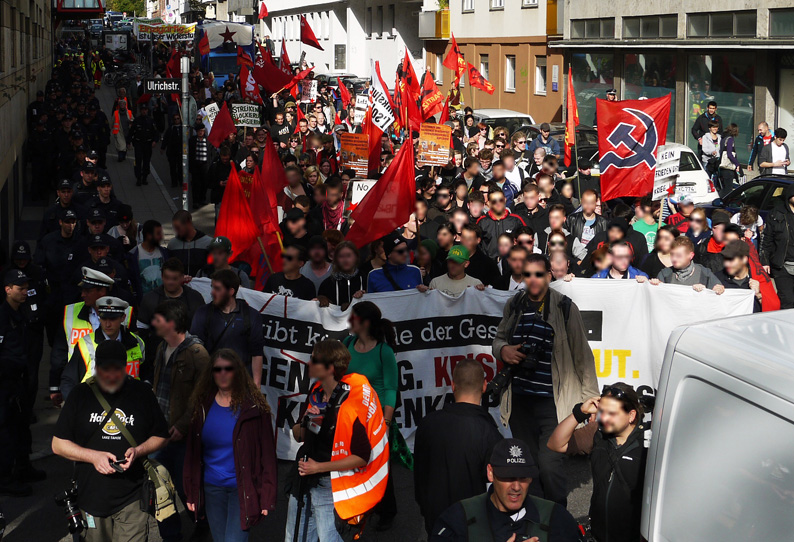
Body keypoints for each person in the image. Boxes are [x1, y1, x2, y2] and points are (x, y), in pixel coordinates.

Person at [492, 254, 599, 506]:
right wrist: (503, 350)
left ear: (549, 276)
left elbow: (582, 354)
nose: (533, 279)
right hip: (520, 401)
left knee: (550, 465)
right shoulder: (515, 304)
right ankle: (538, 518)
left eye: (538, 274)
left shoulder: (564, 307)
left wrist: (589, 398)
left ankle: (557, 516)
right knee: (529, 465)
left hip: (554, 403)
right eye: (527, 274)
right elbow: (499, 338)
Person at [52, 340, 169, 542]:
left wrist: (138, 451)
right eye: (106, 370)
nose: (112, 376)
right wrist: (93, 457)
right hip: (91, 497)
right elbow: (58, 445)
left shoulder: (141, 393)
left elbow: (161, 436)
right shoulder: (81, 394)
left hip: (133, 497)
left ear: (126, 368)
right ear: (96, 368)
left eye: (117, 370)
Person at [285, 339, 389, 542]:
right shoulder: (315, 392)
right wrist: (306, 420)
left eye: (314, 359)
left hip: (328, 486)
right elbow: (299, 435)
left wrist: (319, 467)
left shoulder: (350, 405)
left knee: (329, 539)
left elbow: (361, 456)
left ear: (330, 368)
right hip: (303, 479)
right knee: (294, 538)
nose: (309, 363)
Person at [183, 348, 276, 542]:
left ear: (238, 372)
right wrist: (191, 492)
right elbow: (192, 454)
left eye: (228, 369)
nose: (223, 374)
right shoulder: (202, 406)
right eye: (218, 369)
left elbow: (267, 456)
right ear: (212, 373)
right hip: (212, 489)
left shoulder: (254, 409)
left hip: (242, 490)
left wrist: (267, 495)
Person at [547, 384, 648, 542]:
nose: (605, 418)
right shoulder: (597, 432)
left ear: (631, 415)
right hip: (597, 536)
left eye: (612, 413)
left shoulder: (649, 444)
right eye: (603, 412)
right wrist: (579, 413)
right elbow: (555, 444)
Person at [430, 438, 584, 542]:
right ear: (490, 473)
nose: (516, 487)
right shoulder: (459, 519)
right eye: (508, 477)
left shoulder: (556, 518)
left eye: (523, 478)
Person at [414, 358, 503, 535]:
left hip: (436, 520)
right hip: (473, 522)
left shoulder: (427, 423)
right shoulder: (490, 433)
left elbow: (419, 474)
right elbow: (498, 487)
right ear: (484, 386)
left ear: (453, 385)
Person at [149, 299, 211, 541]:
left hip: (183, 437)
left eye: (159, 320)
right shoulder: (160, 348)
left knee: (188, 490)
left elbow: (205, 396)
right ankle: (171, 536)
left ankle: (203, 523)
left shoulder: (197, 354)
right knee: (159, 491)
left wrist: (184, 425)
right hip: (158, 433)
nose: (154, 324)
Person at [341, 302, 399, 530]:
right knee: (355, 466)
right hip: (351, 419)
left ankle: (386, 510)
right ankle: (360, 508)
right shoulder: (347, 344)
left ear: (365, 323)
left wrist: (385, 422)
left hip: (376, 420)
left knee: (379, 468)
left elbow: (391, 389)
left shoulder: (384, 352)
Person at [49, 267, 132, 407]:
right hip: (81, 387)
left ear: (102, 291)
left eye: (87, 291)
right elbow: (59, 352)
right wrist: (54, 386)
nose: (82, 294)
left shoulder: (126, 314)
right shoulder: (70, 312)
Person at [0, 269, 45, 496]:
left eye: (27, 287)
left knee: (22, 426)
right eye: (20, 288)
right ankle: (6, 477)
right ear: (8, 290)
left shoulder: (20, 313)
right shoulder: (2, 315)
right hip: (5, 383)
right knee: (6, 431)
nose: (25, 292)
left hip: (20, 380)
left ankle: (23, 467)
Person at [190, 269, 265, 386]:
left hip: (241, 385)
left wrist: (256, 388)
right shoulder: (203, 313)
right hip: (211, 384)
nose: (212, 292)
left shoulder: (251, 316)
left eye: (217, 289)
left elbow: (257, 354)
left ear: (231, 291)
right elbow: (195, 349)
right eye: (212, 287)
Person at [61, 296, 145, 400]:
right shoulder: (85, 344)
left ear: (123, 318)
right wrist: (75, 407)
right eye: (104, 318)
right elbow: (69, 380)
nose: (108, 324)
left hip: (129, 406)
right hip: (94, 408)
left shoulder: (137, 343)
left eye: (113, 319)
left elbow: (146, 376)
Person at [651, 237, 725, 294]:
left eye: (679, 255)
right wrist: (656, 285)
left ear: (691, 255)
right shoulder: (665, 274)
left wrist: (710, 290)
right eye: (672, 254)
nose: (674, 259)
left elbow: (718, 290)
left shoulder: (704, 273)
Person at [760, 183, 794, 308]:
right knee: (787, 300)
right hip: (782, 265)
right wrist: (764, 261)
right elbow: (767, 239)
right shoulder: (776, 214)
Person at [477, 189, 526, 259]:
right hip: (489, 264)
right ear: (489, 203)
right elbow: (476, 245)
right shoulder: (482, 222)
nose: (498, 203)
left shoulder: (516, 220)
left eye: (500, 200)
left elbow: (525, 241)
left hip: (511, 263)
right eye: (494, 201)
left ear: (505, 200)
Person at [716, 240, 763, 313]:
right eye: (725, 259)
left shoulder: (759, 278)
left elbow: (772, 312)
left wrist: (759, 295)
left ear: (744, 259)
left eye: (731, 259)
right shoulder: (717, 279)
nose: (727, 264)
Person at [127, 219, 168, 301]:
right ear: (149, 235)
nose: (161, 237)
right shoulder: (133, 255)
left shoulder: (164, 253)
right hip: (144, 302)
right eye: (158, 234)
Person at [317, 241, 366, 309]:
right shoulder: (327, 283)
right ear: (336, 259)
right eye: (341, 256)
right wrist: (321, 299)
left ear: (356, 257)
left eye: (349, 255)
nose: (345, 260)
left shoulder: (365, 279)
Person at [420, 245, 484, 297]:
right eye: (450, 261)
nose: (453, 265)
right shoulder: (435, 283)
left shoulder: (475, 284)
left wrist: (481, 292)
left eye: (457, 262)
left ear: (466, 264)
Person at [167, 210, 213, 277]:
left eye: (178, 228)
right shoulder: (172, 244)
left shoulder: (208, 243)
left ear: (188, 223)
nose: (176, 231)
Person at [566, 189, 607, 262]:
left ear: (596, 202)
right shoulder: (571, 219)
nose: (588, 206)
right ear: (581, 201)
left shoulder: (604, 222)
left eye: (591, 203)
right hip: (576, 259)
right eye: (585, 202)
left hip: (595, 260)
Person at [127, 102, 160, 186]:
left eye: (145, 110)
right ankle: (138, 178)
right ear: (140, 111)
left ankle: (144, 177)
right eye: (142, 110)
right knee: (138, 161)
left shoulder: (151, 121)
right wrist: (128, 142)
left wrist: (155, 141)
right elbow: (131, 132)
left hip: (148, 144)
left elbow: (156, 133)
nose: (144, 111)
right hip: (138, 143)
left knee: (146, 161)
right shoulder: (137, 121)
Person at [719, 123, 742, 191]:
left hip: (722, 167)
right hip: (728, 167)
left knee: (724, 188)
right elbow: (729, 154)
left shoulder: (723, 138)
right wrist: (737, 163)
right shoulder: (730, 139)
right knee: (728, 189)